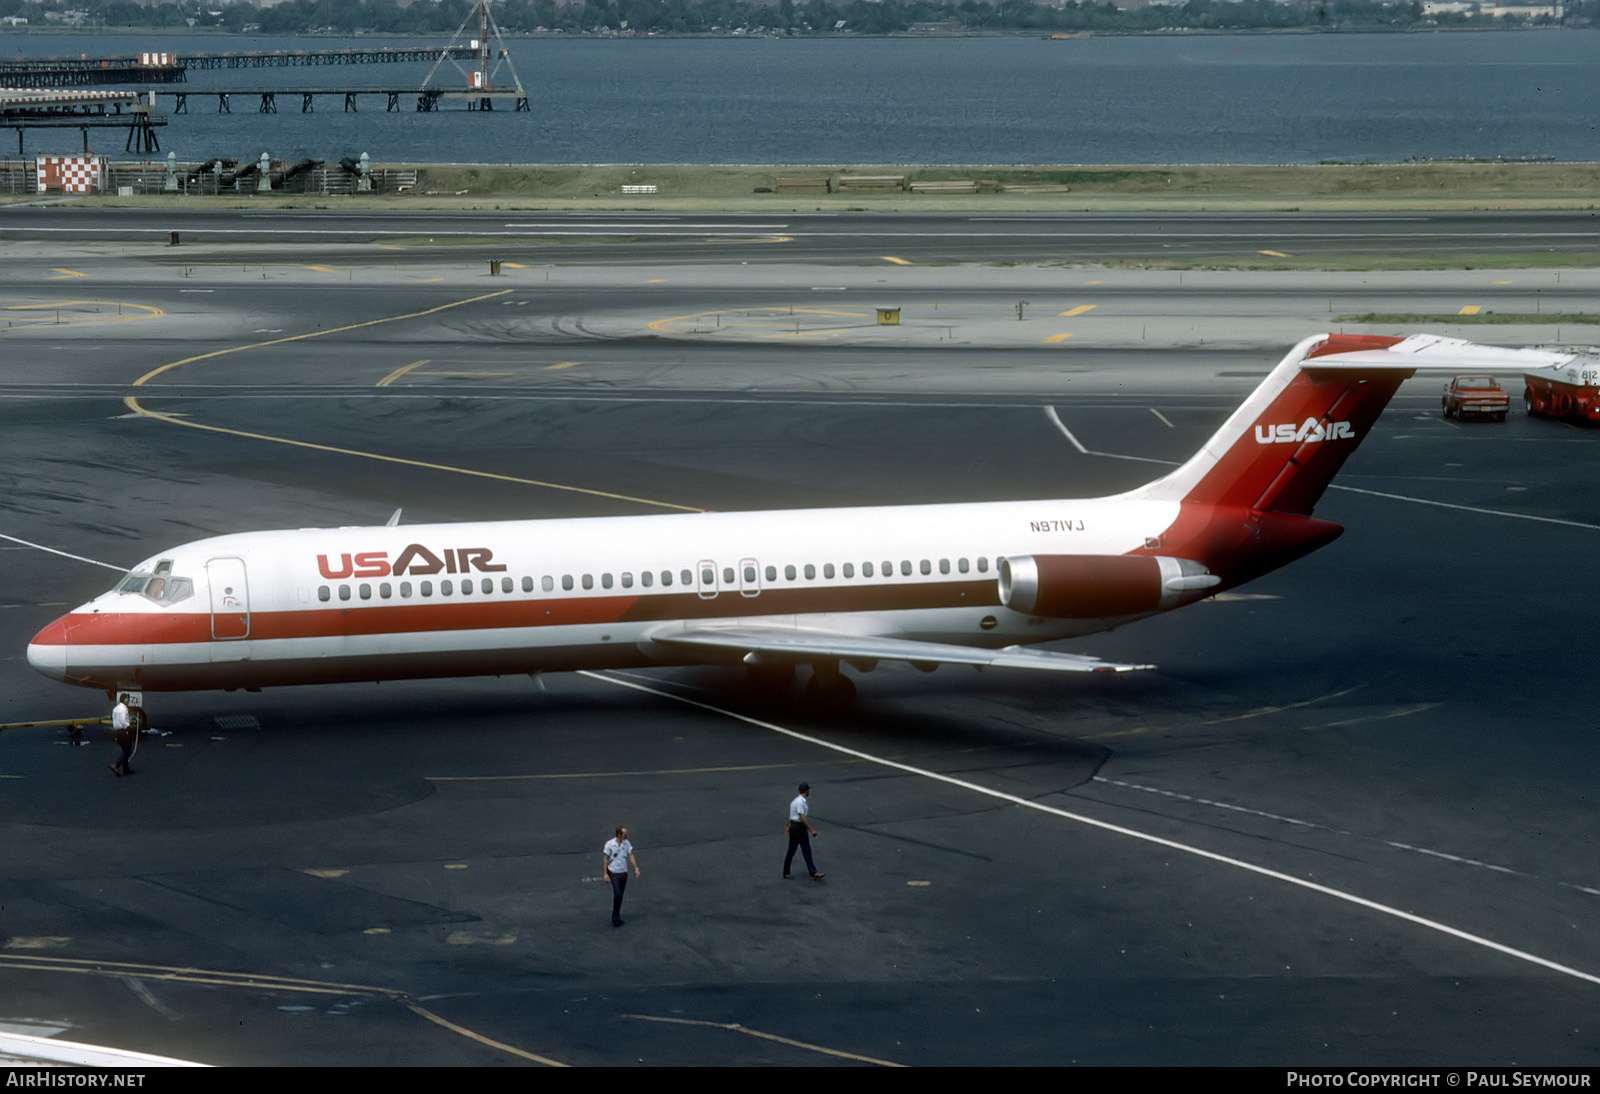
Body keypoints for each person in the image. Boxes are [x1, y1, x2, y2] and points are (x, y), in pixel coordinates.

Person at [784, 782, 823, 880]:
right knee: (792, 850)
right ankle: (786, 872)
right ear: (806, 791)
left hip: (796, 827)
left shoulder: (795, 801)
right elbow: (801, 817)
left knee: (806, 849)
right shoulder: (800, 802)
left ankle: (813, 873)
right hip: (798, 828)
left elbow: (792, 815)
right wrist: (812, 830)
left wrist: (789, 826)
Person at [601, 826, 640, 927]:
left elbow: (630, 855)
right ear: (619, 835)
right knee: (617, 894)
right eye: (624, 834)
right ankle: (615, 917)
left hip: (623, 872)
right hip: (614, 872)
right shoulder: (610, 844)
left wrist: (636, 868)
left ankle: (617, 914)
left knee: (620, 895)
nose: (626, 835)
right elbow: (605, 859)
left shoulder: (626, 843)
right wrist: (605, 873)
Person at [110, 694, 137, 777]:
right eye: (128, 700)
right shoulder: (123, 710)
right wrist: (130, 727)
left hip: (117, 732)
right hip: (123, 732)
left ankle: (126, 769)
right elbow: (123, 722)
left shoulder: (115, 709)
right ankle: (116, 765)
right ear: (125, 700)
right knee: (127, 751)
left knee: (124, 750)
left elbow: (114, 720)